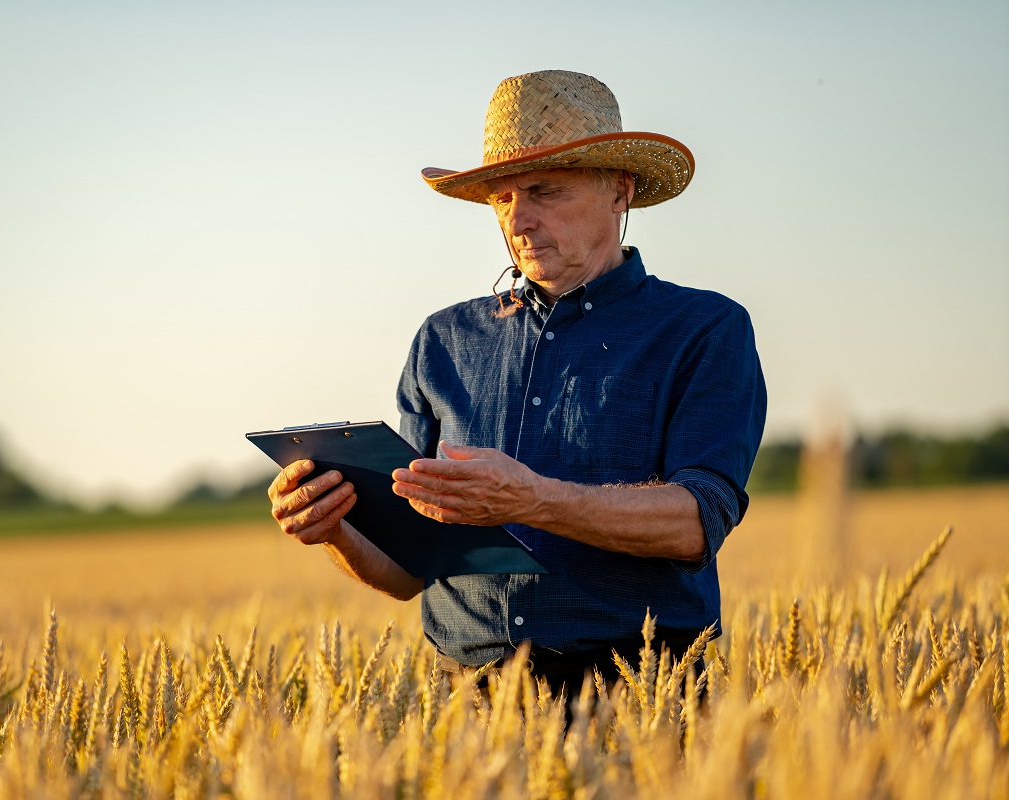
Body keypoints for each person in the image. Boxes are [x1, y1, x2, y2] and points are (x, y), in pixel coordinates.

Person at [267, 70, 766, 697]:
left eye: (543, 190)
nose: (519, 218)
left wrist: (532, 500)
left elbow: (698, 520)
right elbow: (406, 571)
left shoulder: (705, 328)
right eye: (501, 198)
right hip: (468, 704)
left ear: (620, 191)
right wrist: (333, 526)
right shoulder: (444, 341)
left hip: (646, 698)